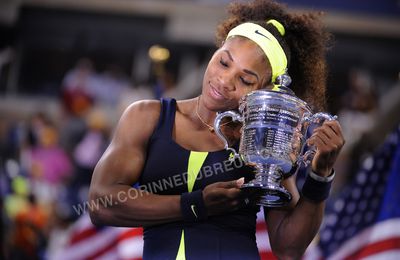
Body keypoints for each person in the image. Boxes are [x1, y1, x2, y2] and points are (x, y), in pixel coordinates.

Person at [89, 0, 345, 259]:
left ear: (265, 91)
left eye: (245, 79)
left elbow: (287, 247)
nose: (224, 81)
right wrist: (195, 205)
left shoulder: (261, 140)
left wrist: (320, 175)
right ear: (216, 51)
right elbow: (100, 204)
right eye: (224, 62)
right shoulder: (145, 116)